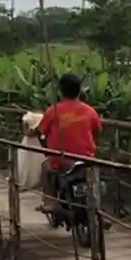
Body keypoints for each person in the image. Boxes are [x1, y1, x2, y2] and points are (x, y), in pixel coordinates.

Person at [33, 72, 102, 213]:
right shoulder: (90, 111)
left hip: (61, 160)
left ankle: (49, 200)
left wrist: (31, 132)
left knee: (45, 168)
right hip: (86, 159)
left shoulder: (53, 111)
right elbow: (98, 131)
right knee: (94, 176)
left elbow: (40, 131)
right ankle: (98, 206)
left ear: (60, 91)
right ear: (79, 90)